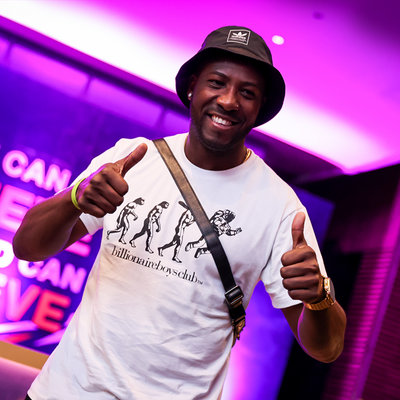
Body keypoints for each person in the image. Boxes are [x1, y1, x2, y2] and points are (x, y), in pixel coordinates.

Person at [13, 26, 346, 400]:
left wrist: (319, 298)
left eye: (247, 93)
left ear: (259, 108)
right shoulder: (130, 159)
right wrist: (74, 198)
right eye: (217, 83)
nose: (229, 101)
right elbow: (27, 248)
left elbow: (327, 349)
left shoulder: (279, 206)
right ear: (192, 87)